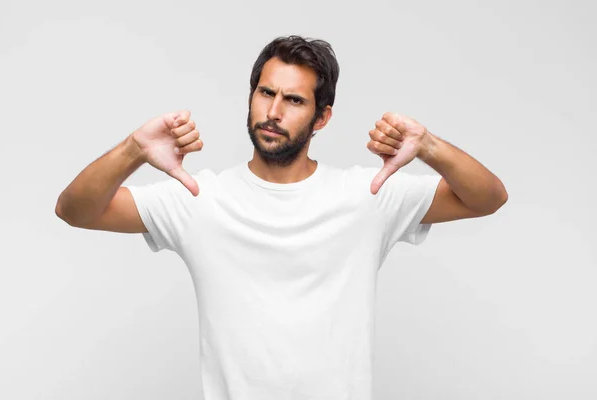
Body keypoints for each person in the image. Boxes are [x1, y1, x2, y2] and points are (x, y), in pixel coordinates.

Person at [55, 35, 507, 399]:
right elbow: (74, 210)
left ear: (322, 117)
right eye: (265, 93)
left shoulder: (366, 196)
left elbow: (487, 198)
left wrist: (428, 145)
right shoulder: (199, 197)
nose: (272, 112)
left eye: (293, 100)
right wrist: (135, 149)